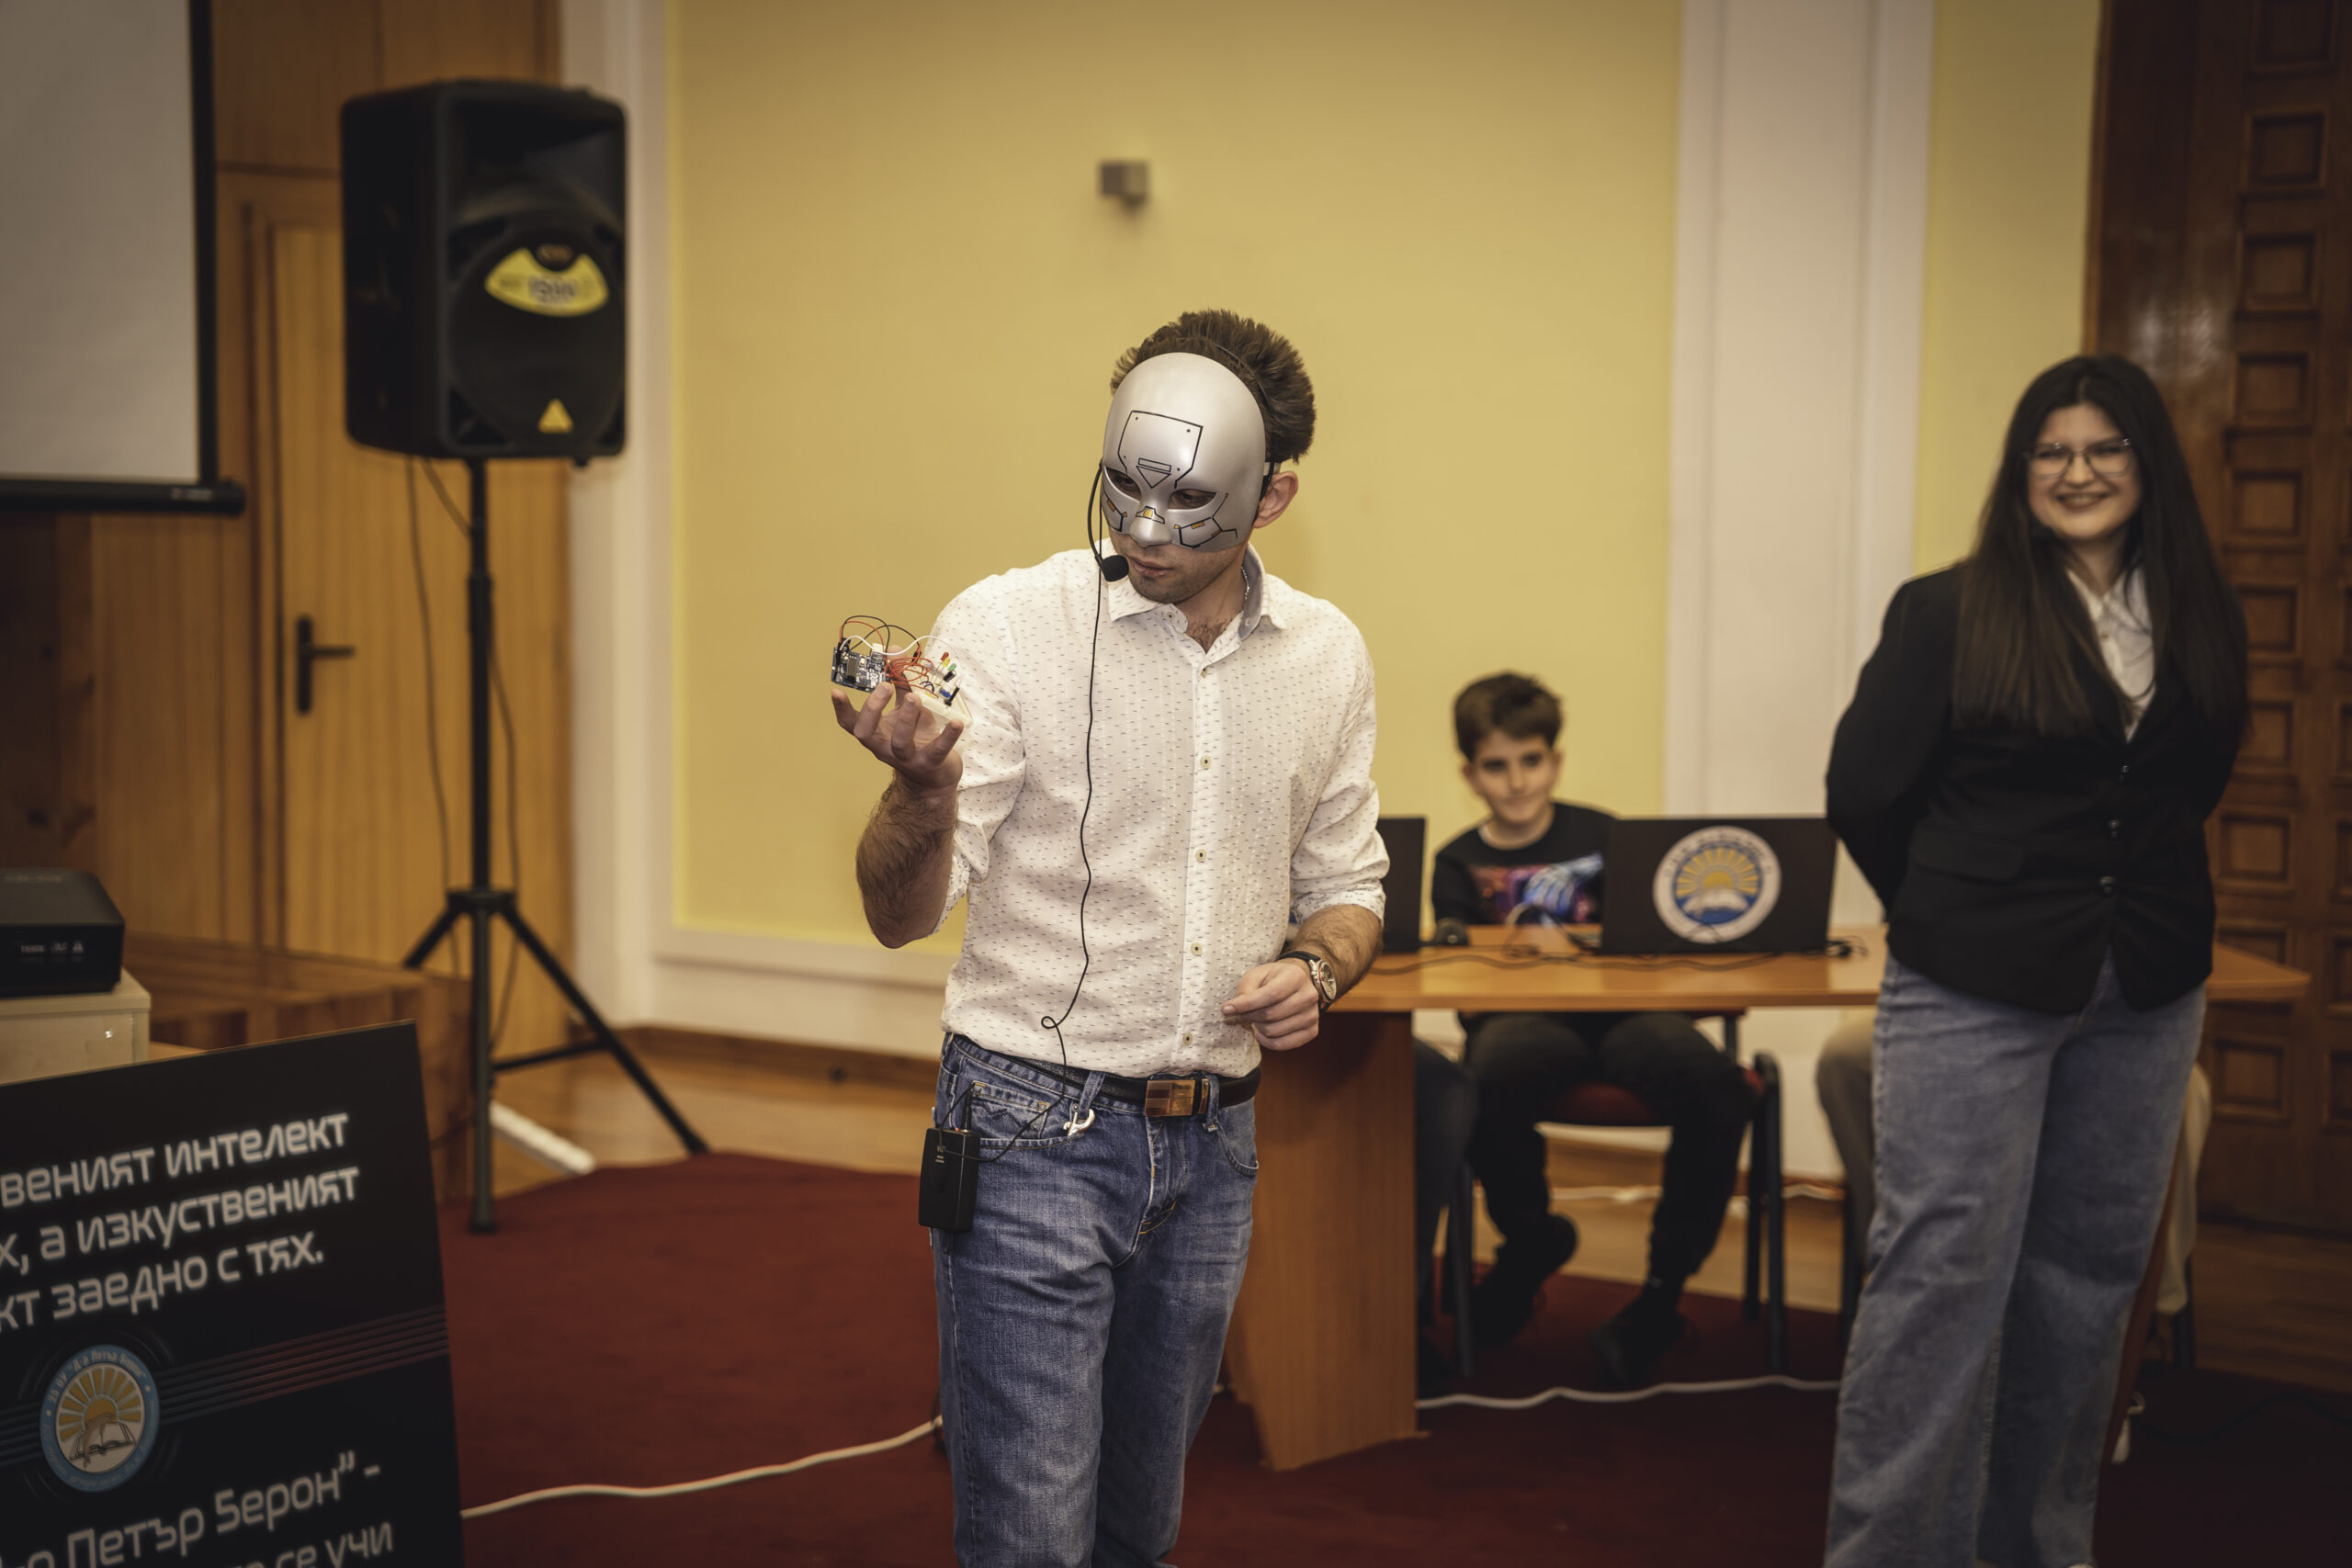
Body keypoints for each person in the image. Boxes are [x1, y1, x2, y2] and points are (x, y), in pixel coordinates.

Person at [831, 309, 1386, 1568]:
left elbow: (1350, 884)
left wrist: (1316, 967)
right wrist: (920, 790)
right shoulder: (1008, 627)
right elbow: (896, 916)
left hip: (1215, 1148)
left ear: (1272, 494)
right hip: (1027, 1128)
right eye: (1125, 488)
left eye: (1189, 505)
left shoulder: (1326, 656)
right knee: (1030, 1536)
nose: (1144, 532)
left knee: (1142, 1529)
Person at [1822, 353, 2246, 1568]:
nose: (2078, 471)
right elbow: (1866, 791)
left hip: (2147, 984)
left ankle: (2037, 1545)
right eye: (2050, 450)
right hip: (1971, 985)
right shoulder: (1948, 610)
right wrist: (1957, 909)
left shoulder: (2200, 609)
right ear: (2020, 472)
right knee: (1941, 1275)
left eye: (2105, 447)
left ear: (2146, 463)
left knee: (2088, 1277)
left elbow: (2194, 779)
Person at [1434, 673, 1756, 1386]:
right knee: (1482, 1080)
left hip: (1626, 1015)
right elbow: (1456, 974)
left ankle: (1661, 1295)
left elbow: (1648, 943)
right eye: (1497, 765)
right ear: (1471, 774)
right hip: (1521, 1019)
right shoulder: (1455, 860)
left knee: (1718, 1087)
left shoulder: (1608, 836)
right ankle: (1531, 1240)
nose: (1517, 780)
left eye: (1531, 760)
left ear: (1555, 760)